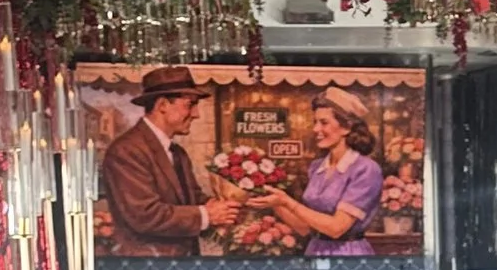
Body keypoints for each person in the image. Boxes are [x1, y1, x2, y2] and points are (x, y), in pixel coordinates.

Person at [97, 69, 233, 253]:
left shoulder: (178, 153)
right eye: (190, 104)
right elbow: (144, 215)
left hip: (178, 266)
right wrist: (207, 214)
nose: (196, 114)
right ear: (162, 105)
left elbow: (192, 199)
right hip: (146, 269)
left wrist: (222, 206)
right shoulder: (126, 150)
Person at [259, 90, 386, 256]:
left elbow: (336, 229)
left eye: (324, 123)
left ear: (346, 127)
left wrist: (288, 201)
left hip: (348, 254)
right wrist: (276, 204)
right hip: (315, 251)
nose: (315, 129)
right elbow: (305, 228)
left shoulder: (366, 169)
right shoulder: (317, 167)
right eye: (315, 122)